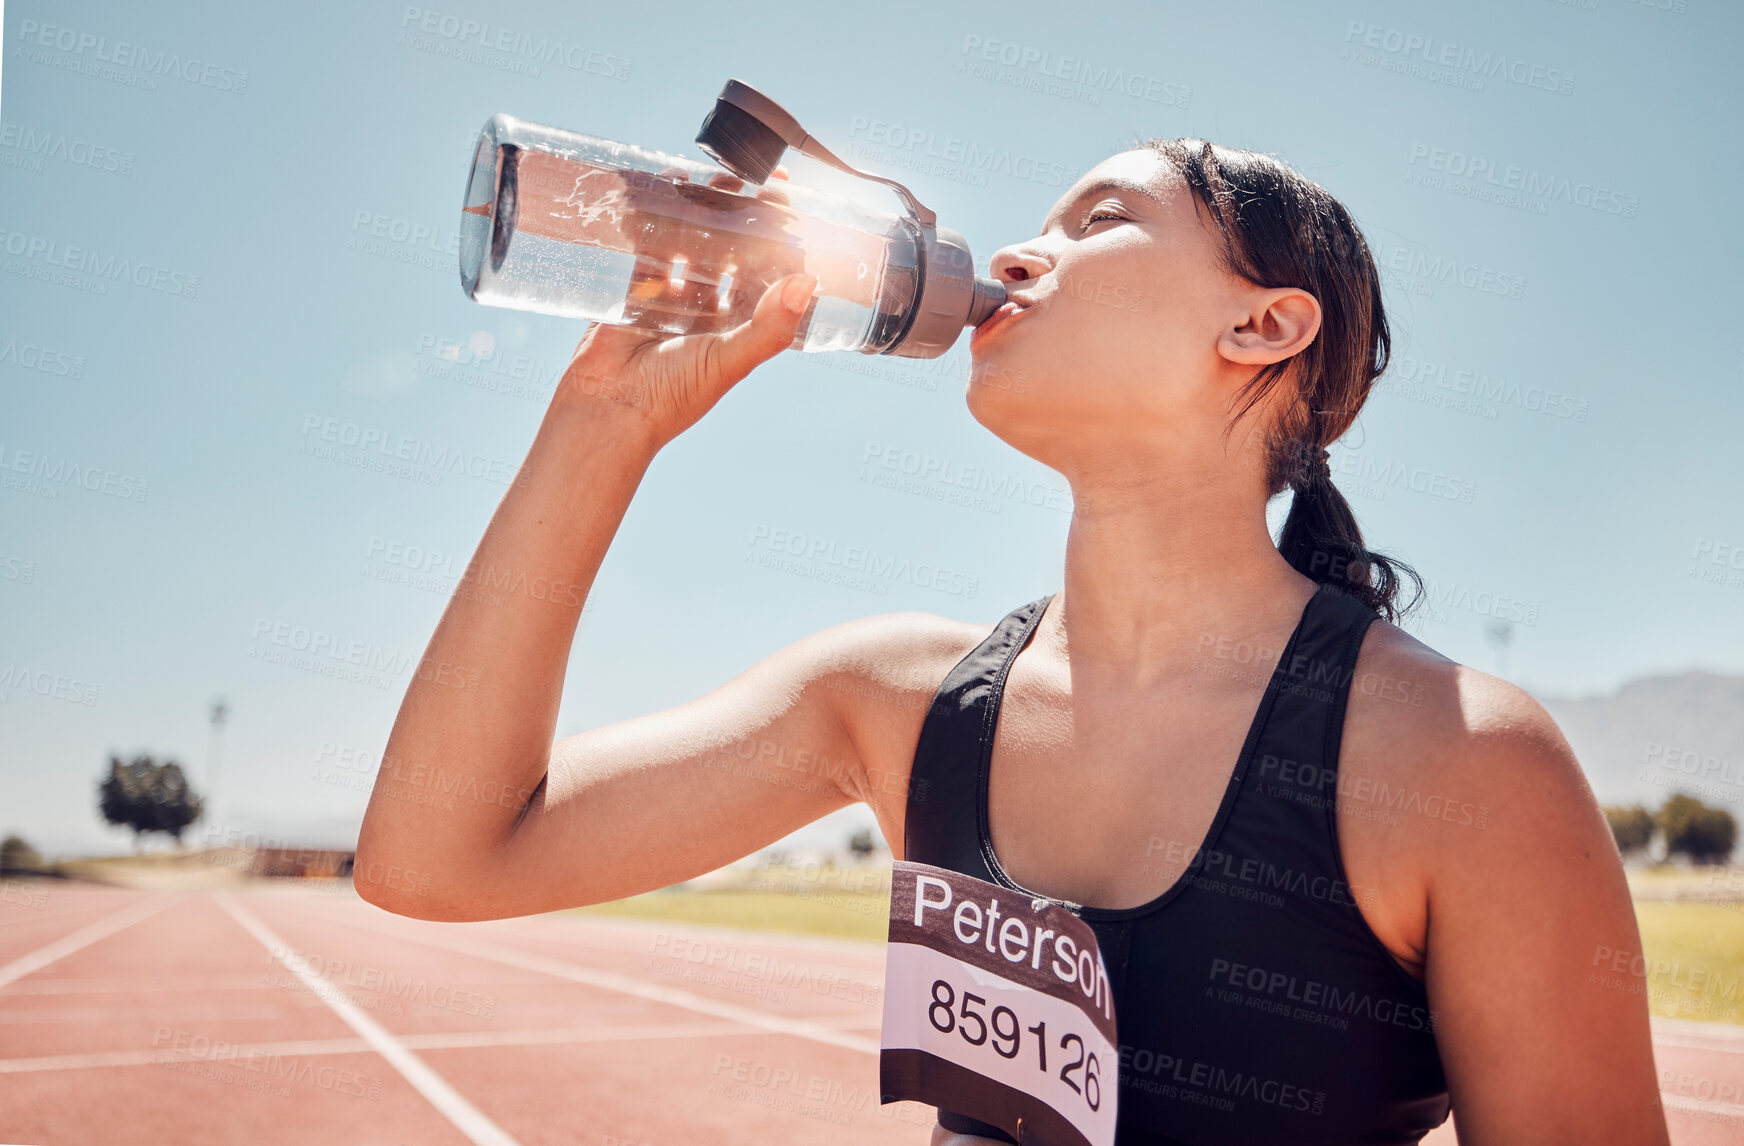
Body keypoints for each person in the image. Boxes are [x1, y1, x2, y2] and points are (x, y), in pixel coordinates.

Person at [355, 139, 1668, 1144]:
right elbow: (438, 854)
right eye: (1036, 226)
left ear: (1262, 325)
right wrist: (604, 422)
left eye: (1097, 223)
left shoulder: (1460, 763)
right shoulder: (892, 700)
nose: (1025, 255)